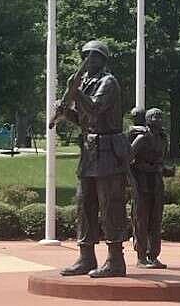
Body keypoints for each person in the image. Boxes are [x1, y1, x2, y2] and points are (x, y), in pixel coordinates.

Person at [55, 40, 129, 278]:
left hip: (108, 151)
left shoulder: (108, 82)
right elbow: (86, 120)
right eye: (86, 57)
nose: (88, 61)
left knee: (110, 204)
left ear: (103, 60)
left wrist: (75, 91)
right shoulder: (86, 82)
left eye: (94, 57)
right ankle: (86, 256)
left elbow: (96, 108)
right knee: (84, 202)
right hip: (89, 151)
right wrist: (65, 112)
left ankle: (115, 260)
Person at [130, 107, 174, 269]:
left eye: (160, 116)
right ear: (147, 120)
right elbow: (128, 158)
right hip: (141, 182)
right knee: (141, 219)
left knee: (156, 220)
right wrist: (133, 178)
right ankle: (141, 257)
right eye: (154, 116)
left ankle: (153, 254)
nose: (158, 119)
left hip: (156, 182)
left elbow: (161, 161)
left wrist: (166, 170)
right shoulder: (142, 138)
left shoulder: (163, 139)